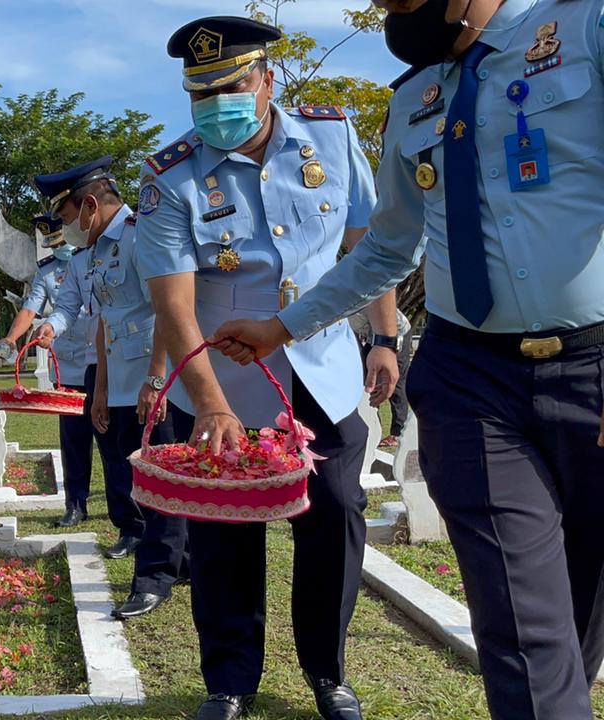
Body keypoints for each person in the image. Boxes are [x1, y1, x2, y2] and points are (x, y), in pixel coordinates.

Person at [209, 1, 604, 717]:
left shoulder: (585, 29)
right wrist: (282, 328)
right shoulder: (416, 100)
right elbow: (390, 247)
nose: (391, 8)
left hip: (596, 363)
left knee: (578, 604)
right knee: (520, 624)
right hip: (472, 378)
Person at [137, 17, 399, 720]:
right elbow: (174, 304)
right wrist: (213, 405)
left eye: (230, 86)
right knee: (223, 536)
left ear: (266, 80)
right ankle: (229, 683)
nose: (216, 103)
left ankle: (328, 671)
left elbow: (369, 247)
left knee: (337, 517)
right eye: (201, 94)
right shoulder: (168, 177)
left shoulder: (334, 137)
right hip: (225, 384)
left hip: (323, 374)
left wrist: (384, 338)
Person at [32, 158, 188, 584]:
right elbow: (101, 319)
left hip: (157, 379)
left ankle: (158, 574)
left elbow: (168, 312)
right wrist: (99, 389)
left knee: (161, 475)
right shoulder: (95, 250)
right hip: (118, 382)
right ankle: (171, 558)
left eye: (66, 218)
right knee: (134, 472)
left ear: (89, 206)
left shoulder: (143, 235)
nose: (65, 229)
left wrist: (155, 380)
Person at [0, 214, 95, 527]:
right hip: (67, 368)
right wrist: (11, 338)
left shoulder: (93, 258)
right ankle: (75, 505)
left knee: (114, 442)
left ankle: (129, 512)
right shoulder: (47, 271)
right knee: (74, 442)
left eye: (63, 241)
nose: (60, 248)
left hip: (101, 361)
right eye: (54, 243)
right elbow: (30, 309)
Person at [350, 306, 413, 447]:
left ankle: (397, 433)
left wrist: (384, 347)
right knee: (367, 380)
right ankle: (370, 424)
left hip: (395, 333)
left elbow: (380, 317)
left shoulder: (351, 299)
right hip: (373, 335)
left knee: (393, 382)